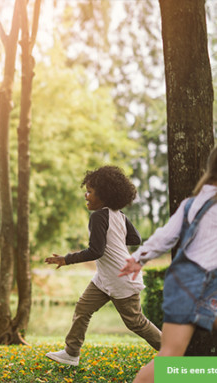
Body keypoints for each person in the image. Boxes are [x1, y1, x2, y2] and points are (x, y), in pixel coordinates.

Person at [44, 166, 161, 366]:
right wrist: (115, 241)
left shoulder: (98, 217)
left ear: (104, 195)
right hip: (105, 278)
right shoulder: (119, 215)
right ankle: (71, 353)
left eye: (90, 191)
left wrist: (66, 259)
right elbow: (135, 238)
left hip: (120, 277)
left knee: (136, 322)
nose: (86, 195)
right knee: (83, 308)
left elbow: (96, 251)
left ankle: (176, 353)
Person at [119, 146, 217, 383]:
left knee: (170, 356)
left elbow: (165, 236)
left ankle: (198, 376)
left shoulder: (191, 204)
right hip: (204, 283)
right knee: (171, 357)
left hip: (184, 283)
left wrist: (138, 258)